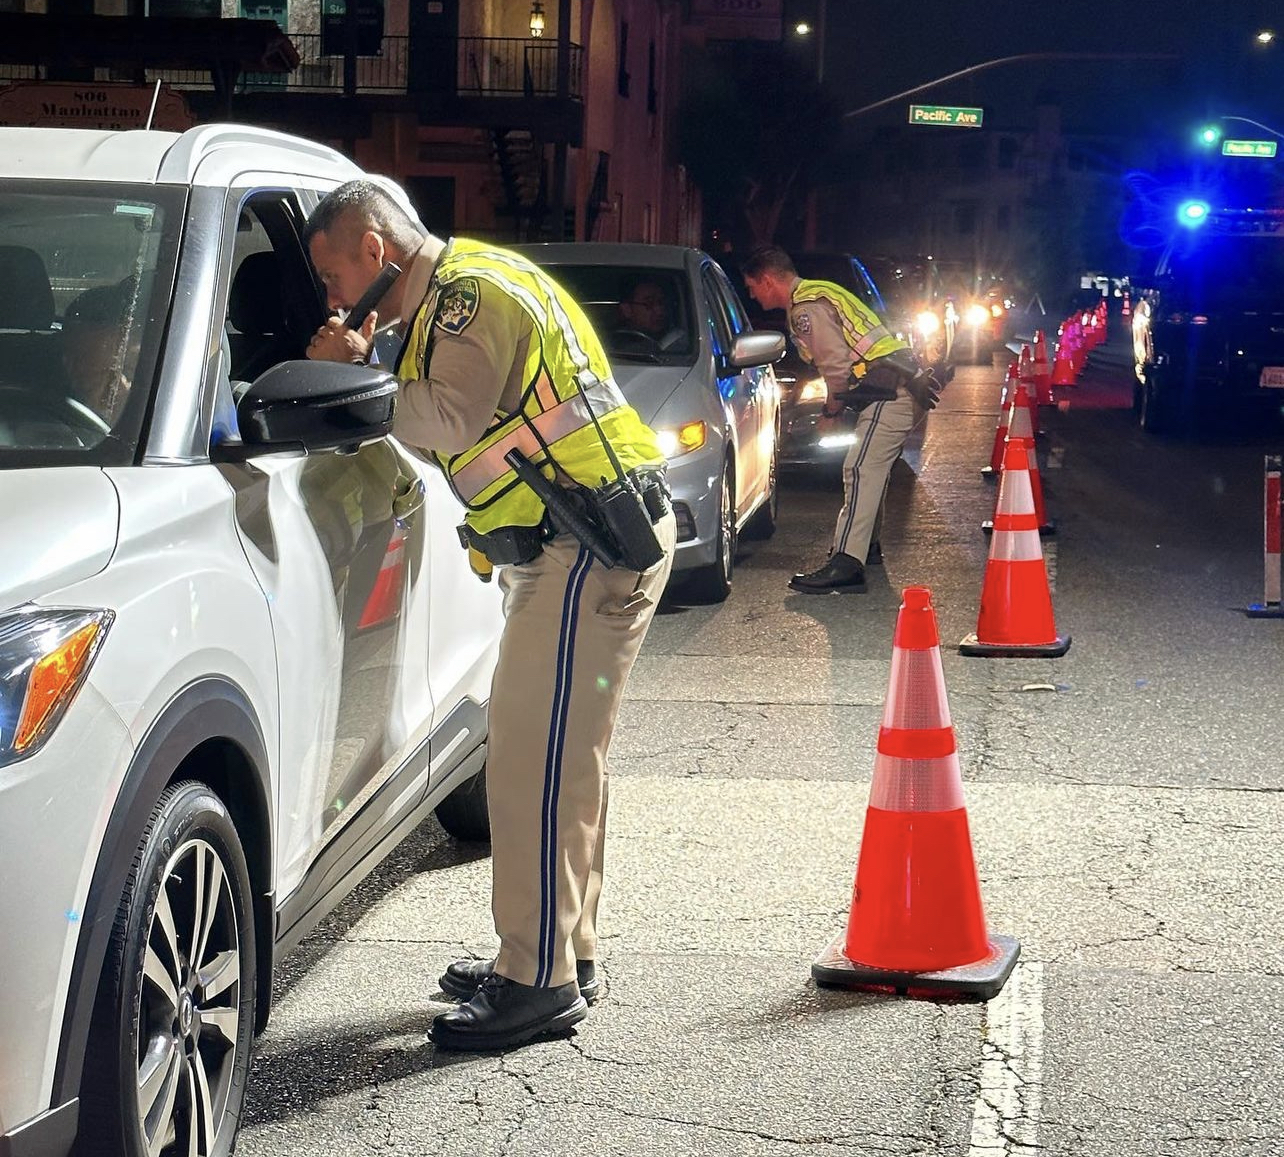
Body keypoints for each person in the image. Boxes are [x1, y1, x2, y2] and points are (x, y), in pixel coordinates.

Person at [304, 180, 677, 1051]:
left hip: (584, 540)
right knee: (563, 758)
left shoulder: (469, 295)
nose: (329, 296)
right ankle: (561, 950)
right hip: (581, 538)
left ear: (373, 251)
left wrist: (350, 372)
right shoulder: (460, 288)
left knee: (529, 761)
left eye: (330, 274)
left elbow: (447, 414)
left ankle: (535, 982)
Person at [742, 246, 939, 594]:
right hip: (896, 382)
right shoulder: (820, 291)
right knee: (871, 467)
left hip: (889, 389)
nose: (751, 294)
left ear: (768, 280)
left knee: (860, 468)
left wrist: (831, 410)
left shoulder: (806, 308)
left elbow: (835, 366)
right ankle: (867, 548)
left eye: (752, 286)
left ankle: (847, 562)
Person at [61, 277, 139, 428]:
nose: (70, 364)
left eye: (84, 355)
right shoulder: (46, 400)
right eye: (68, 352)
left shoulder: (164, 405)